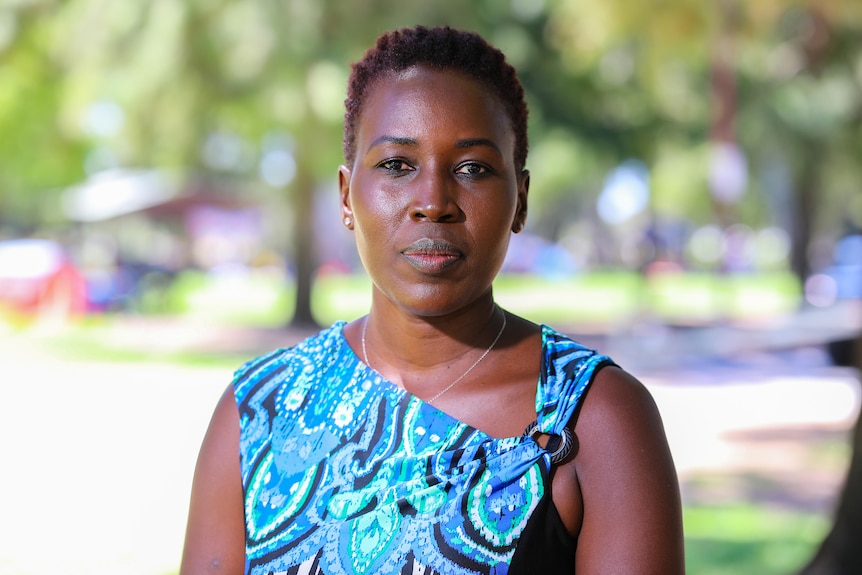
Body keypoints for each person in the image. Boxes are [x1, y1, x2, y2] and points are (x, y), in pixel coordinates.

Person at [180, 25, 685, 575]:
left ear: (520, 201)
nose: (433, 202)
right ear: (347, 196)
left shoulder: (594, 418)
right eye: (397, 165)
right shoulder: (260, 411)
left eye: (472, 169)